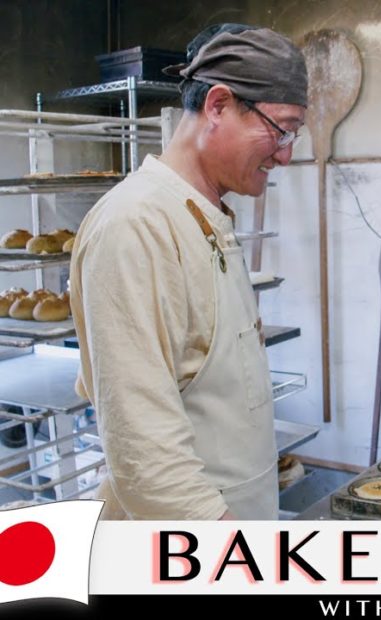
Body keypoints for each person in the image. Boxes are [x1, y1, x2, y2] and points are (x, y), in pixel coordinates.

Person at [69, 24, 307, 519]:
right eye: (281, 129)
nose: (285, 154)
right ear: (218, 105)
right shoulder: (135, 225)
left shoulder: (203, 213)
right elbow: (145, 457)